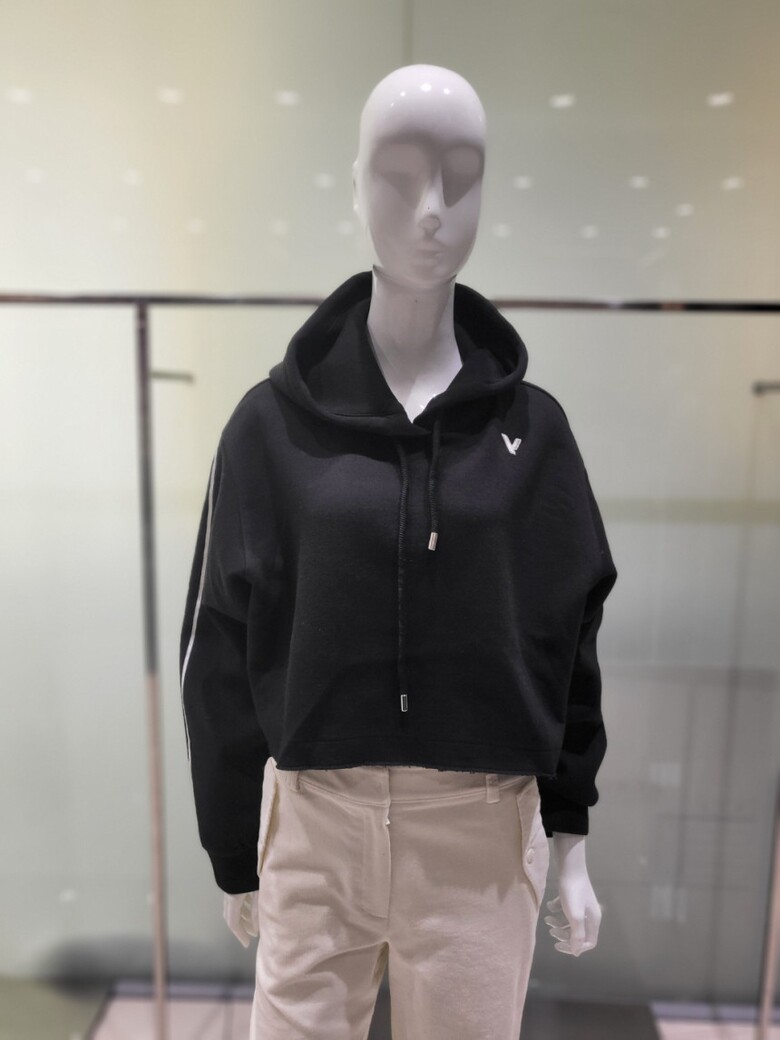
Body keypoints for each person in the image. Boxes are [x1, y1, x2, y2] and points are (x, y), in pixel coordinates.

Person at [179, 63, 618, 1040]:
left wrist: (572, 831)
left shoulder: (535, 433)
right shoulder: (269, 427)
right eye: (399, 172)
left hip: (480, 835)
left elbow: (570, 637)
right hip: (316, 822)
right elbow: (218, 643)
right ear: (355, 184)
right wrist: (232, 843)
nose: (431, 209)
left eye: (460, 176)